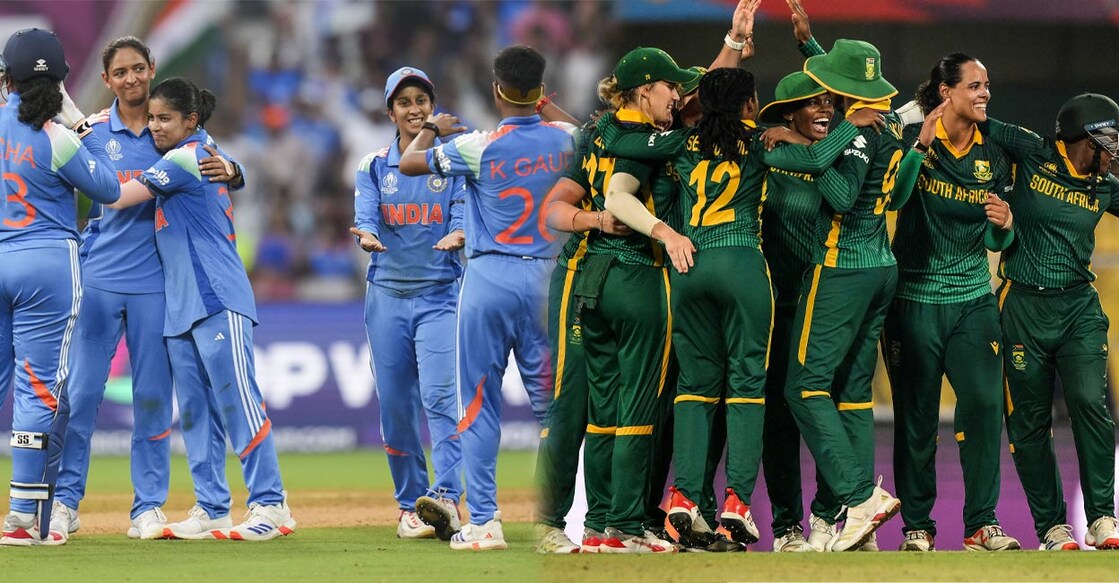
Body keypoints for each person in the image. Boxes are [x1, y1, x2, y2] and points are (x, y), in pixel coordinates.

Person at [594, 61, 882, 554]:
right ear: (750, 104)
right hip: (744, 265)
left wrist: (611, 117)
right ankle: (737, 504)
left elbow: (619, 151)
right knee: (748, 388)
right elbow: (815, 165)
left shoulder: (680, 142)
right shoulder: (759, 141)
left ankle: (683, 496)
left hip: (690, 263)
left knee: (694, 387)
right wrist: (847, 127)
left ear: (701, 103)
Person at [52, 36, 244, 542]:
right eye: (121, 72)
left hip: (156, 287)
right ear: (107, 80)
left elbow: (220, 166)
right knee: (82, 394)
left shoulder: (173, 131)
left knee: (155, 400)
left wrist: (236, 170)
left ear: (153, 69)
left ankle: (148, 507)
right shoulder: (89, 132)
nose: (132, 79)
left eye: (139, 69)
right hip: (99, 281)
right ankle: (66, 503)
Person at [398, 45, 575, 551]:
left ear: (496, 90)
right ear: (541, 91)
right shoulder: (568, 140)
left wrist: (432, 127)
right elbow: (589, 133)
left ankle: (485, 522)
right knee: (554, 409)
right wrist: (547, 107)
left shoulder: (477, 145)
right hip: (547, 279)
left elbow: (411, 163)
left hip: (489, 280)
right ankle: (555, 523)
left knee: (477, 403)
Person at [106, 77, 296, 541]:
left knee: (238, 401)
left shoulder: (190, 155)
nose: (153, 126)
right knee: (195, 412)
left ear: (190, 120)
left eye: (164, 118)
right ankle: (212, 506)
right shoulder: (198, 154)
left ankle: (271, 504)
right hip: (181, 305)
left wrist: (66, 153)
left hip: (216, 297)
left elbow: (118, 195)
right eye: (150, 118)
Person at [776, 0, 910, 551]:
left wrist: (791, 146)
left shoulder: (857, 134)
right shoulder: (892, 121)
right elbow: (847, 82)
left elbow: (836, 188)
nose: (826, 103)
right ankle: (843, 524)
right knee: (853, 395)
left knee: (803, 387)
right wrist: (810, 45)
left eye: (833, 94)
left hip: (843, 269)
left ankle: (859, 498)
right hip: (882, 266)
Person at [884, 53, 1020, 552]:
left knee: (985, 406)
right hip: (913, 300)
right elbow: (893, 199)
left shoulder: (994, 153)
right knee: (917, 416)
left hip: (971, 300)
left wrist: (1005, 224)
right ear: (947, 94)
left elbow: (996, 240)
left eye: (988, 85)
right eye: (976, 86)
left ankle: (982, 524)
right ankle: (917, 526)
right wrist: (918, 146)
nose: (985, 93)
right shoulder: (912, 143)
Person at [0, 28, 122, 546]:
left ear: (7, 78)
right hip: (48, 263)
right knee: (38, 388)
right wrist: (81, 122)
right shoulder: (58, 134)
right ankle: (24, 515)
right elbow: (111, 188)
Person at [983, 93, 1119, 551]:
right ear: (1087, 139)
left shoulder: (1107, 184)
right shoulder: (1032, 151)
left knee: (1088, 403)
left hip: (1079, 308)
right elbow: (973, 116)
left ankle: (1103, 518)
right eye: (1110, 140)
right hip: (1022, 306)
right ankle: (1053, 527)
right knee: (1028, 423)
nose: (1115, 150)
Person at [350, 66, 466, 541]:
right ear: (390, 111)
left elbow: (462, 212)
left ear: (432, 106)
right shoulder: (373, 165)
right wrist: (369, 237)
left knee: (440, 399)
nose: (414, 109)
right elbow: (365, 216)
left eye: (421, 100)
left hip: (440, 296)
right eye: (404, 102)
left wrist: (459, 233)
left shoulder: (451, 159)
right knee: (396, 406)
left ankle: (446, 498)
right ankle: (410, 507)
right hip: (387, 299)